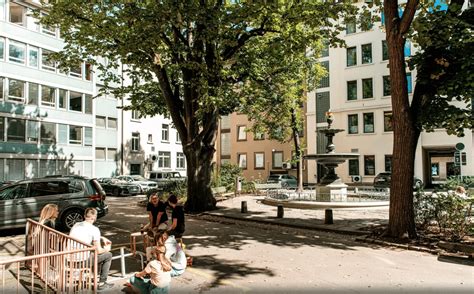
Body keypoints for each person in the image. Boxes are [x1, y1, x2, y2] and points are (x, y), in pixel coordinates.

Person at [69, 208, 113, 291]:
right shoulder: (95, 229)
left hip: (68, 259)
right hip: (80, 262)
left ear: (85, 216)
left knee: (92, 254)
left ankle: (93, 276)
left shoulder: (76, 224)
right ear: (95, 217)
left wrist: (101, 237)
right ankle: (102, 283)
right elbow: (99, 251)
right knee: (108, 255)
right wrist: (107, 249)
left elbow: (83, 234)